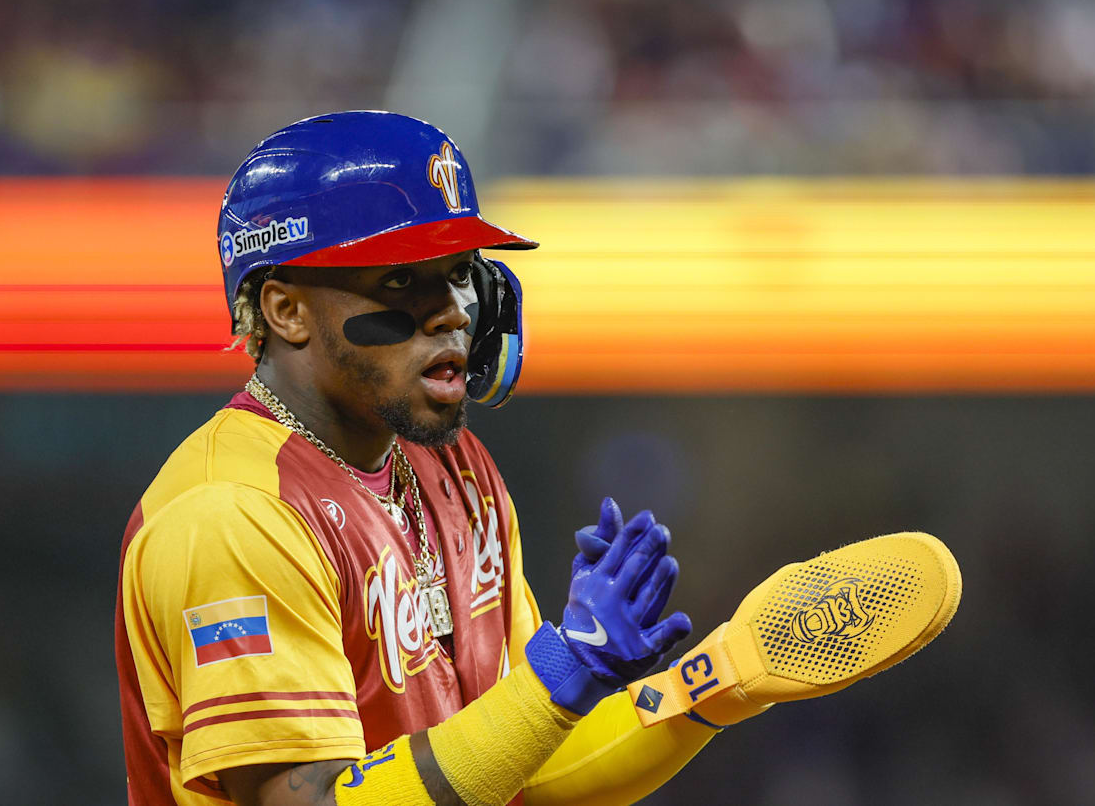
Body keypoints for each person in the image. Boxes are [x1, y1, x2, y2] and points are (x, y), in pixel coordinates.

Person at [115, 111, 962, 806]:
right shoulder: (231, 512)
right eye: (403, 282)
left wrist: (720, 678)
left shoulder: (455, 471)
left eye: (460, 276)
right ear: (287, 310)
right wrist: (560, 676)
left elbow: (523, 766)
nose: (452, 313)